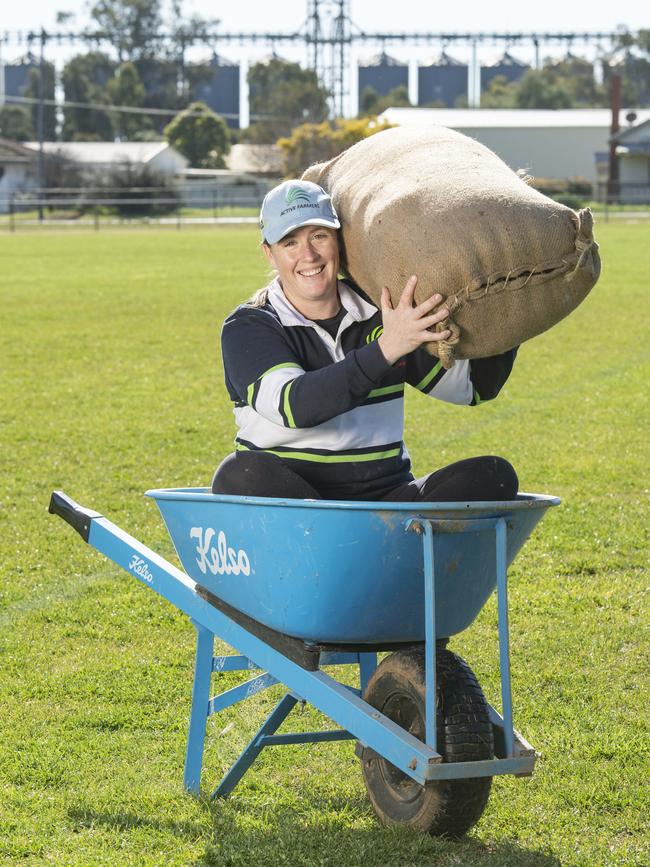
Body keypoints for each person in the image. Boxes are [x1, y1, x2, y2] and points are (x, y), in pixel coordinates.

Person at [213, 179, 518, 502]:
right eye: (290, 243)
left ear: (339, 242)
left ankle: (372, 538)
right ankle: (358, 543)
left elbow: (471, 388)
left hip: (381, 502)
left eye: (320, 236)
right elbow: (295, 406)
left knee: (494, 475)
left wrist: (509, 307)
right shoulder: (250, 324)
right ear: (269, 254)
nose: (309, 255)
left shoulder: (381, 310)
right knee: (241, 473)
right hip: (294, 506)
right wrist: (387, 348)